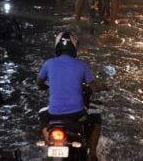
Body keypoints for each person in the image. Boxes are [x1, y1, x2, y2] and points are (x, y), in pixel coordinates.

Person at [36, 31, 101, 160]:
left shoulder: (48, 63)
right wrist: (102, 87)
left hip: (54, 113)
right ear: (74, 47)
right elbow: (94, 87)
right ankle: (92, 153)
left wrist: (45, 87)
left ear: (57, 46)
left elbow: (39, 83)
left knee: (42, 114)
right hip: (76, 113)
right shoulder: (82, 65)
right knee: (96, 116)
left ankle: (49, 141)